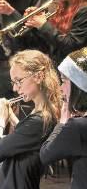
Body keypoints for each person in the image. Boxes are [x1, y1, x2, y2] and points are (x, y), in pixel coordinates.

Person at [0, 50, 62, 189]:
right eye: (13, 82)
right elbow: (27, 138)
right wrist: (11, 116)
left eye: (19, 81)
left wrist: (0, 120)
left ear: (38, 76)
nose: (15, 88)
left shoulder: (40, 119)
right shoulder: (44, 112)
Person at [40, 47, 87, 189]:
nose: (61, 88)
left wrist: (62, 121)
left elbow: (46, 154)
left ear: (79, 86)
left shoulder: (77, 127)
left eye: (64, 81)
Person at [25, 0, 87, 65]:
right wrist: (38, 21)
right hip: (59, 68)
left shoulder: (84, 11)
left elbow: (72, 46)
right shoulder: (63, 8)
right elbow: (54, 41)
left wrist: (44, 25)